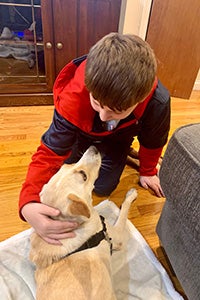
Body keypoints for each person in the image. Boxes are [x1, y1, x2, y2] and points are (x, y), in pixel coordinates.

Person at [19, 33, 170, 245]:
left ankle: (125, 151)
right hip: (79, 131)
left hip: (119, 138)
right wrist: (28, 202)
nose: (103, 117)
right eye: (97, 102)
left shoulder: (157, 103)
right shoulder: (73, 96)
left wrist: (148, 171)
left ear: (141, 99)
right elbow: (49, 151)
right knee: (63, 167)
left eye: (117, 111)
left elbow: (153, 140)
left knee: (103, 187)